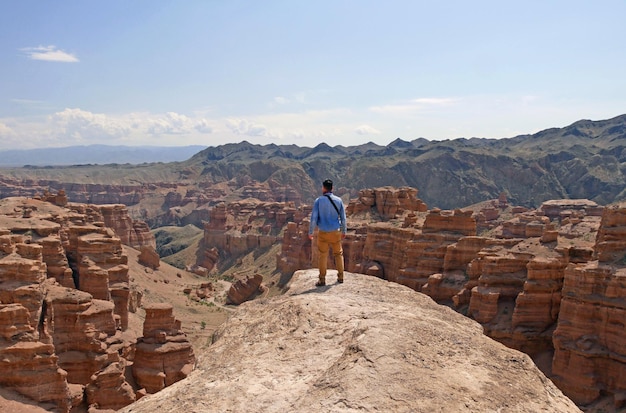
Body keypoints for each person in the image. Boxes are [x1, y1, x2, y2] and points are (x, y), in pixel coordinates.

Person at [308, 179, 347, 286]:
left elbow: (314, 218)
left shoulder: (318, 201)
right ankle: (341, 277)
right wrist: (344, 230)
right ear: (332, 188)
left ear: (323, 188)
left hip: (323, 233)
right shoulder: (339, 200)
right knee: (338, 254)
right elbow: (343, 218)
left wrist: (310, 232)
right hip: (335, 232)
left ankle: (322, 280)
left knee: (323, 256)